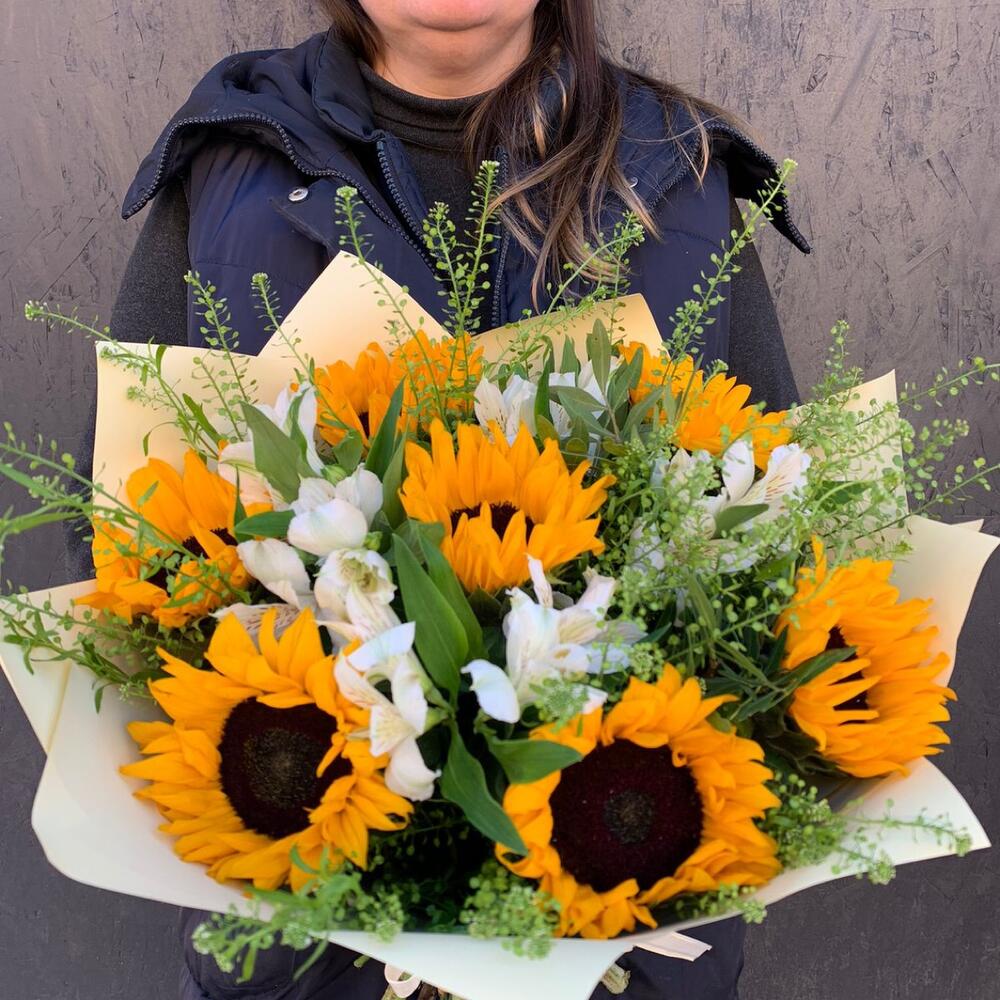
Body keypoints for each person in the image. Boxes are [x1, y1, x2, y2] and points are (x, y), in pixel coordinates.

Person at [102, 1, 811, 997]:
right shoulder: (230, 166)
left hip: (623, 935)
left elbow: (785, 551)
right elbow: (126, 560)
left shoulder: (678, 174)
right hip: (301, 943)